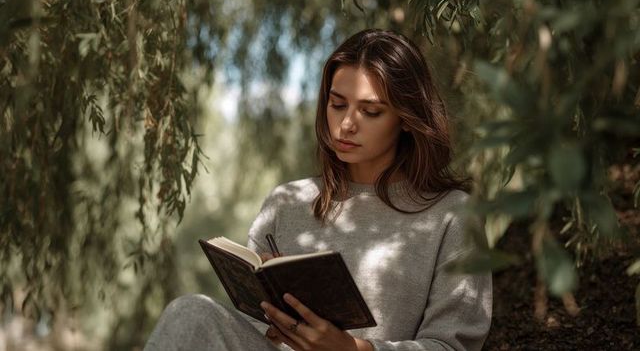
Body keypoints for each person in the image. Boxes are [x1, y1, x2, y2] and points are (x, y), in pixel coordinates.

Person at [144, 28, 492, 351]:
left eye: (370, 111)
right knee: (191, 312)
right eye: (337, 104)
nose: (346, 124)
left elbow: (452, 346)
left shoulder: (452, 215)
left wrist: (356, 350)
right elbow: (250, 330)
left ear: (405, 118)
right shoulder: (286, 203)